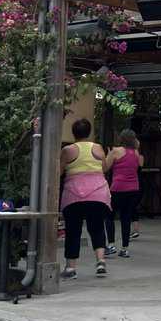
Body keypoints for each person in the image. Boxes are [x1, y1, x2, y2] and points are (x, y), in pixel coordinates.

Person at [59, 118, 110, 278]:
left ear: (73, 133)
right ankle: (101, 261)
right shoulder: (98, 148)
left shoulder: (68, 150)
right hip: (98, 193)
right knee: (97, 228)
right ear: (89, 132)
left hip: (74, 195)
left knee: (73, 230)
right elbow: (104, 168)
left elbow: (59, 172)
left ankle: (70, 268)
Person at [103, 129, 144, 258]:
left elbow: (105, 168)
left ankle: (111, 245)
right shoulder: (136, 153)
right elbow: (139, 166)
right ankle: (125, 249)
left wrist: (107, 155)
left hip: (118, 188)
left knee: (109, 216)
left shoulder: (116, 151)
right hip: (133, 189)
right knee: (126, 217)